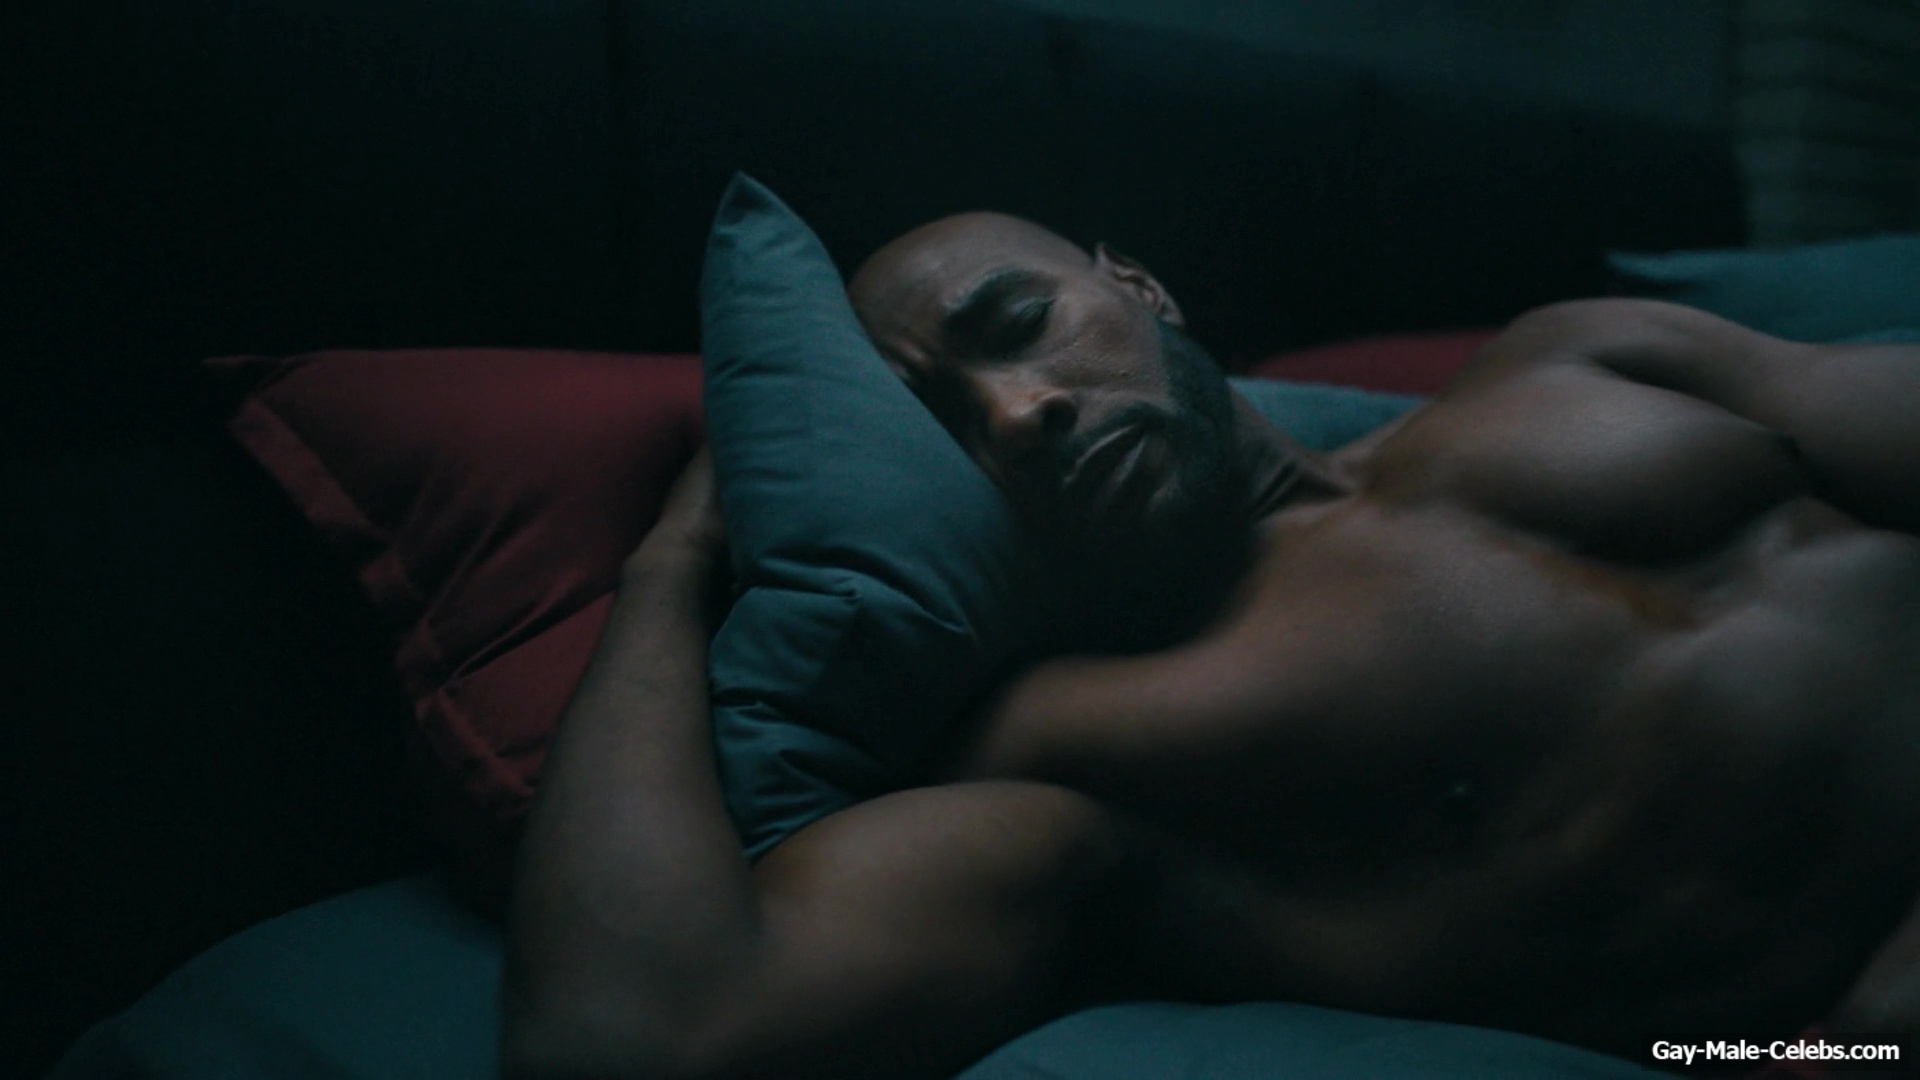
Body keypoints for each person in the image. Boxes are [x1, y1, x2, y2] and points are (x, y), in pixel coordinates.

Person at [500, 212, 1920, 1080]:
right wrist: (672, 564)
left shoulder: (1583, 357)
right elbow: (641, 1039)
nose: (1019, 415)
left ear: (1141, 286)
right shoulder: (1083, 742)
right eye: (942, 430)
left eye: (1020, 327)